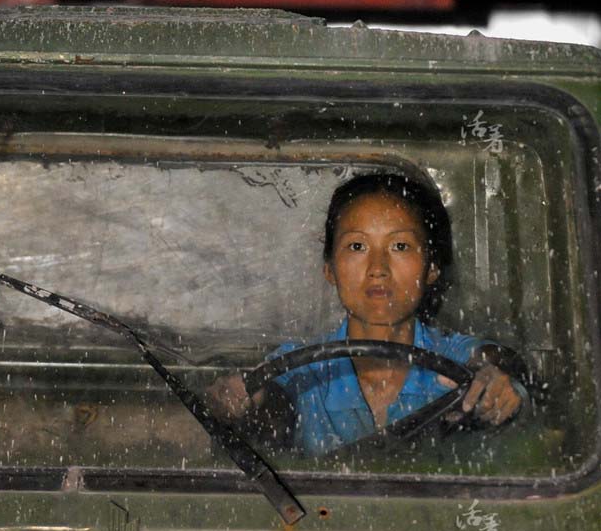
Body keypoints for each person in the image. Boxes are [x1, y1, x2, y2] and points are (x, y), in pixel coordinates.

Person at [205, 173, 527, 456]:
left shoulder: (452, 358)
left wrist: (497, 383)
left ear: (431, 268)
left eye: (400, 246)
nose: (378, 269)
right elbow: (269, 401)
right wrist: (242, 401)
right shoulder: (301, 368)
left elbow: (495, 360)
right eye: (357, 247)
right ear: (329, 268)